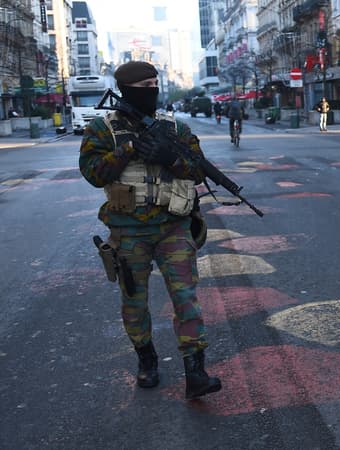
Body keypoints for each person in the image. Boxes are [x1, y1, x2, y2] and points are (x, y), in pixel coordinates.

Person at [78, 61, 222, 399]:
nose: (152, 92)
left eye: (155, 85)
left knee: (186, 299)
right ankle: (147, 359)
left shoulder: (173, 128)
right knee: (134, 301)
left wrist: (169, 156)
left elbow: (198, 170)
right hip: (128, 233)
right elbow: (93, 173)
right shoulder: (103, 129)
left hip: (173, 227)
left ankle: (195, 371)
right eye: (145, 87)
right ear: (127, 91)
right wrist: (128, 150)